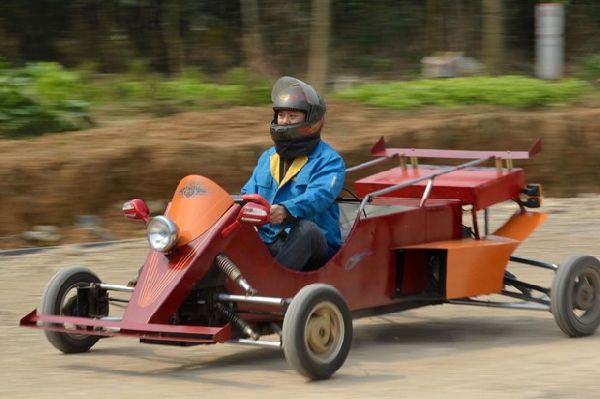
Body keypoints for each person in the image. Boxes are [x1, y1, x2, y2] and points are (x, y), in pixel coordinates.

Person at [241, 76, 345, 271]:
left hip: (313, 248)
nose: (284, 121)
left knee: (308, 230)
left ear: (311, 121)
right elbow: (248, 192)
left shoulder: (330, 161)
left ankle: (271, 284)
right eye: (281, 115)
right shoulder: (268, 157)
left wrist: (286, 210)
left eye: (292, 116)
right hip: (269, 240)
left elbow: (319, 196)